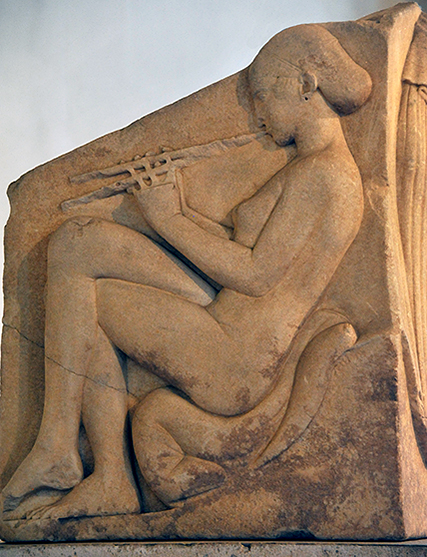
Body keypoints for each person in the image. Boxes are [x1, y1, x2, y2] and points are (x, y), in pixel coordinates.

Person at [1, 23, 371, 520]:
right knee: (76, 242)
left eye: (263, 93)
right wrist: (168, 205)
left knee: (86, 301)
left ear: (306, 84)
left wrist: (168, 221)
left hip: (233, 357)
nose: (257, 109)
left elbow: (256, 275)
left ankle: (95, 469)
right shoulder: (308, 169)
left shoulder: (325, 176)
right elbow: (238, 252)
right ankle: (61, 447)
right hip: (219, 318)